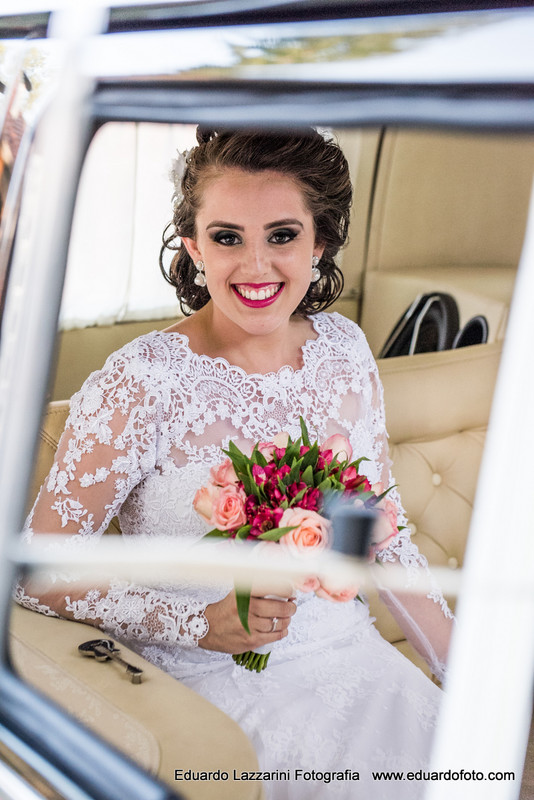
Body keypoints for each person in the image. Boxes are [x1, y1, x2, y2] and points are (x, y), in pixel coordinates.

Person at [17, 127, 454, 799]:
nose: (255, 266)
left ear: (322, 243)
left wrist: (469, 675)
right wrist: (199, 625)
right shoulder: (141, 382)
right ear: (193, 247)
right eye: (227, 237)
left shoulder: (345, 349)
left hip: (355, 659)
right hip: (215, 687)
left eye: (282, 235)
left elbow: (381, 531)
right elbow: (34, 573)